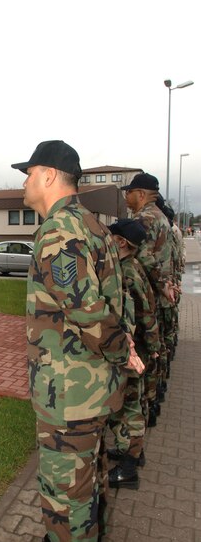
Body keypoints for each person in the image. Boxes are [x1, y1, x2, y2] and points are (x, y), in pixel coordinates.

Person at [3, 141, 143, 542]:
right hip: (93, 389)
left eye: (28, 173)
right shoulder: (94, 226)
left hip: (71, 394)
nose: (23, 182)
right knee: (90, 479)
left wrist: (120, 349)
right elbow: (114, 301)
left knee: (66, 494)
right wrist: (123, 349)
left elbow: (87, 310)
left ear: (48, 175)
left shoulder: (59, 231)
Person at [107, 218, 160, 489]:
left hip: (133, 351)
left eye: (111, 238)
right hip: (138, 348)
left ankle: (129, 467)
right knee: (131, 404)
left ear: (121, 242)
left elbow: (145, 313)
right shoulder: (131, 266)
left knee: (128, 407)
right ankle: (130, 451)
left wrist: (151, 349)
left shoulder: (127, 273)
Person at [122, 173, 174, 427]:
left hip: (147, 299)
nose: (126, 196)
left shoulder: (145, 218)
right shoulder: (161, 217)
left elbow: (142, 256)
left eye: (129, 192)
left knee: (145, 356)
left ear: (141, 194)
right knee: (157, 351)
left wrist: (161, 285)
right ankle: (153, 402)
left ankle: (143, 412)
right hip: (159, 299)